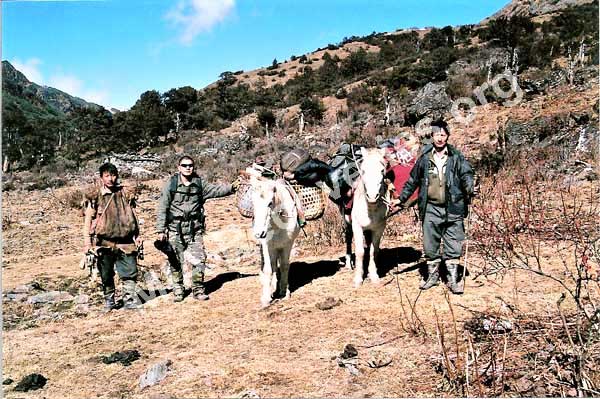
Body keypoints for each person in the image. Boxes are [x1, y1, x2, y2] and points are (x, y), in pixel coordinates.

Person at [395, 120, 475, 294]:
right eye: (437, 134)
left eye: (443, 134)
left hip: (453, 206)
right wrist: (401, 199)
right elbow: (412, 181)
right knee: (430, 244)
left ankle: (453, 280)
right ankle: (432, 277)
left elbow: (467, 174)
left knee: (453, 243)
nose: (440, 138)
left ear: (447, 136)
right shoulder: (424, 158)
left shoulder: (456, 157)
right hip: (430, 207)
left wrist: (470, 187)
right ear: (431, 136)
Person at [156, 155, 240, 302]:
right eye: (184, 165)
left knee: (199, 260)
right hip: (176, 229)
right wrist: (161, 230)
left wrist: (232, 187)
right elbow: (163, 207)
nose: (188, 168)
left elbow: (216, 190)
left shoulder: (199, 184)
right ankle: (178, 290)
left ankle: (198, 289)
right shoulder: (171, 184)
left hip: (195, 229)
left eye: (190, 165)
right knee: (175, 261)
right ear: (178, 167)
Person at [83, 163, 141, 310]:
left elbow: (134, 216)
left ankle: (129, 299)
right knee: (106, 273)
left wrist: (138, 236)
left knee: (130, 272)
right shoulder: (95, 197)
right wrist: (87, 244)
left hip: (126, 241)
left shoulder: (125, 194)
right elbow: (87, 222)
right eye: (107, 175)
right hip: (104, 242)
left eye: (113, 175)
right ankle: (109, 300)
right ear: (101, 177)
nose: (111, 179)